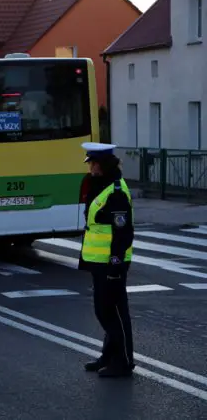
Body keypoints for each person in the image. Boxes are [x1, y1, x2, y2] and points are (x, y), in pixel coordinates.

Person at [79, 142, 135, 378]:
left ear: (103, 165)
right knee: (105, 310)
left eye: (93, 163)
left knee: (112, 312)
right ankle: (109, 356)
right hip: (99, 260)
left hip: (111, 262)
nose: (90, 167)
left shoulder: (116, 192)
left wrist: (115, 261)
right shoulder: (101, 185)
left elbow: (123, 231)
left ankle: (123, 361)